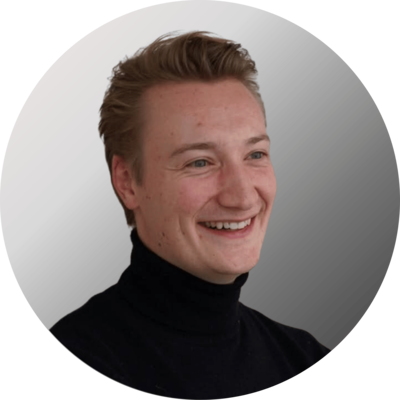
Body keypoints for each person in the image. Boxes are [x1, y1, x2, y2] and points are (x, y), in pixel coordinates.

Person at [50, 31, 332, 398]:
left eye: (255, 155)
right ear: (127, 182)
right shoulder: (82, 355)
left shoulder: (303, 358)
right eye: (200, 162)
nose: (242, 196)